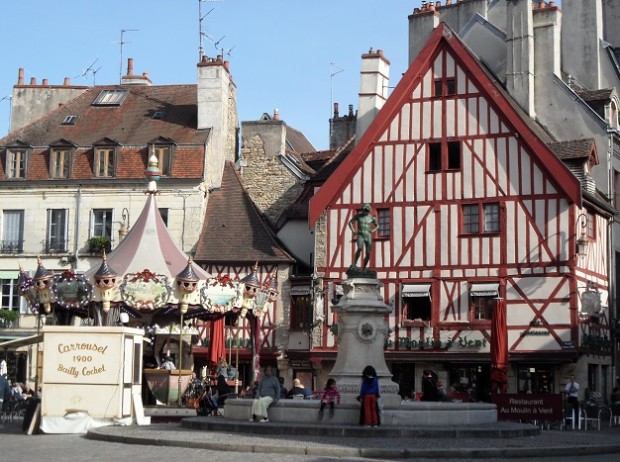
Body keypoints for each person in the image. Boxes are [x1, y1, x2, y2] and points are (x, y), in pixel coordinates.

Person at [348, 204, 380, 269]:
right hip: (360, 234)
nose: (366, 211)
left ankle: (364, 267)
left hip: (368, 235)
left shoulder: (371, 218)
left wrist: (372, 230)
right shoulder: (358, 216)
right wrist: (353, 231)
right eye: (365, 210)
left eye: (367, 210)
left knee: (368, 253)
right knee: (359, 248)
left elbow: (377, 226)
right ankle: (354, 263)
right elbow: (350, 222)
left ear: (369, 210)